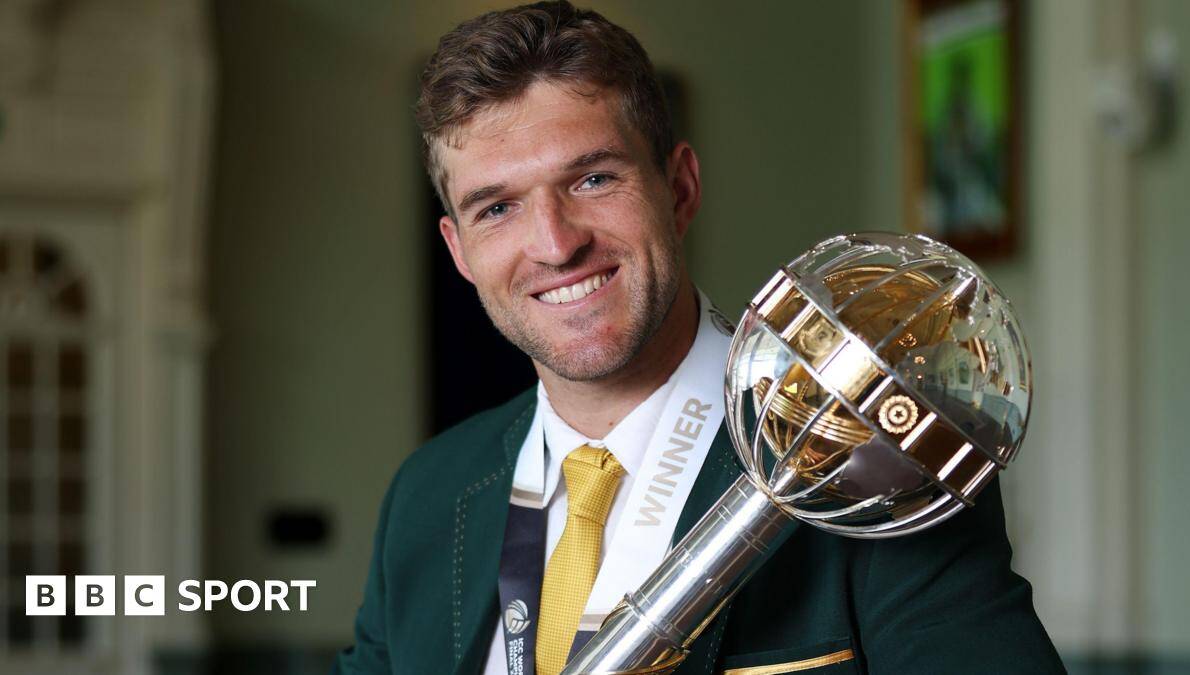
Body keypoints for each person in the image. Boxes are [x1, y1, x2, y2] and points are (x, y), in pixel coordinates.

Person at [332, 2, 1065, 673]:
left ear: (679, 189)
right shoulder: (427, 494)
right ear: (460, 251)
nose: (555, 245)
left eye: (592, 180)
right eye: (496, 209)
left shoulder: (873, 460)